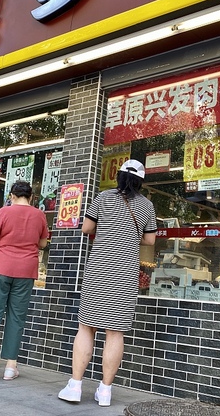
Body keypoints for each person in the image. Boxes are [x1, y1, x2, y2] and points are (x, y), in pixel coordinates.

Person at [58, 159, 156, 406]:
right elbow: (150, 241)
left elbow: (86, 228)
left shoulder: (103, 198)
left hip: (99, 270)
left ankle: (76, 386)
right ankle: (105, 391)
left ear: (120, 177)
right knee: (115, 333)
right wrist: (129, 235)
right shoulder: (147, 206)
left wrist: (108, 229)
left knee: (86, 327)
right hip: (125, 273)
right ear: (141, 181)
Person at [0, 181, 49, 382]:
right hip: (27, 270)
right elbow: (42, 243)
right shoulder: (39, 215)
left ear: (12, 196)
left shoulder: (4, 212)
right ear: (31, 197)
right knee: (17, 317)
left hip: (1, 267)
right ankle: (10, 367)